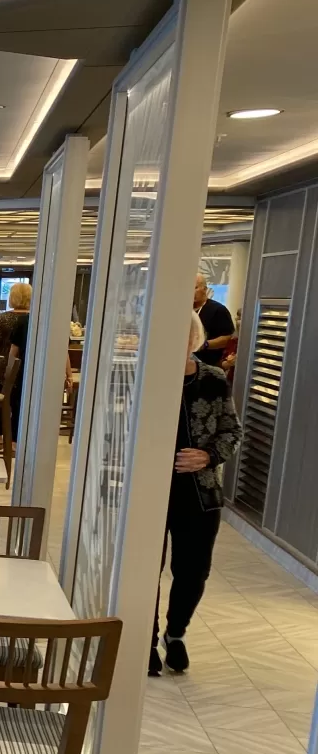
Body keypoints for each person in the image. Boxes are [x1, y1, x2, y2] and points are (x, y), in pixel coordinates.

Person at [150, 310, 242, 676]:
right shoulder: (146, 377)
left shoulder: (213, 378)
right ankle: (145, 637)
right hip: (149, 491)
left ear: (195, 339)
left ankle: (175, 633)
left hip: (200, 493)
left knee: (193, 570)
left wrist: (207, 456)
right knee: (145, 568)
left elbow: (231, 431)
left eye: (185, 334)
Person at [192, 273, 237, 369]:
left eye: (195, 287)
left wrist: (205, 344)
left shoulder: (218, 310)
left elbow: (227, 338)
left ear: (205, 289)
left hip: (209, 365)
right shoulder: (183, 310)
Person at [0, 281, 32, 356]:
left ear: (12, 297)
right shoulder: (34, 318)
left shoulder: (2, 317)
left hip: (5, 358)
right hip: (29, 359)